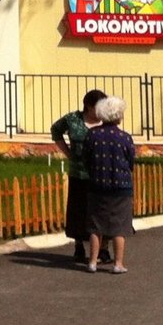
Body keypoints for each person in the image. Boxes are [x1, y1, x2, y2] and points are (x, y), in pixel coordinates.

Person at [50, 89, 107, 263]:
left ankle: (103, 249)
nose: (101, 112)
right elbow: (56, 130)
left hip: (101, 174)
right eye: (98, 108)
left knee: (101, 211)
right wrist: (68, 152)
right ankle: (79, 246)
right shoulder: (73, 120)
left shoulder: (106, 121)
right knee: (78, 210)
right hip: (79, 172)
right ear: (88, 107)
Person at [83, 95, 135, 274]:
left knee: (96, 225)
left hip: (97, 185)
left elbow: (86, 159)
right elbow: (130, 162)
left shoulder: (92, 135)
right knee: (119, 227)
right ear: (118, 116)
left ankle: (92, 262)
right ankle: (118, 263)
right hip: (121, 188)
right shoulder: (125, 138)